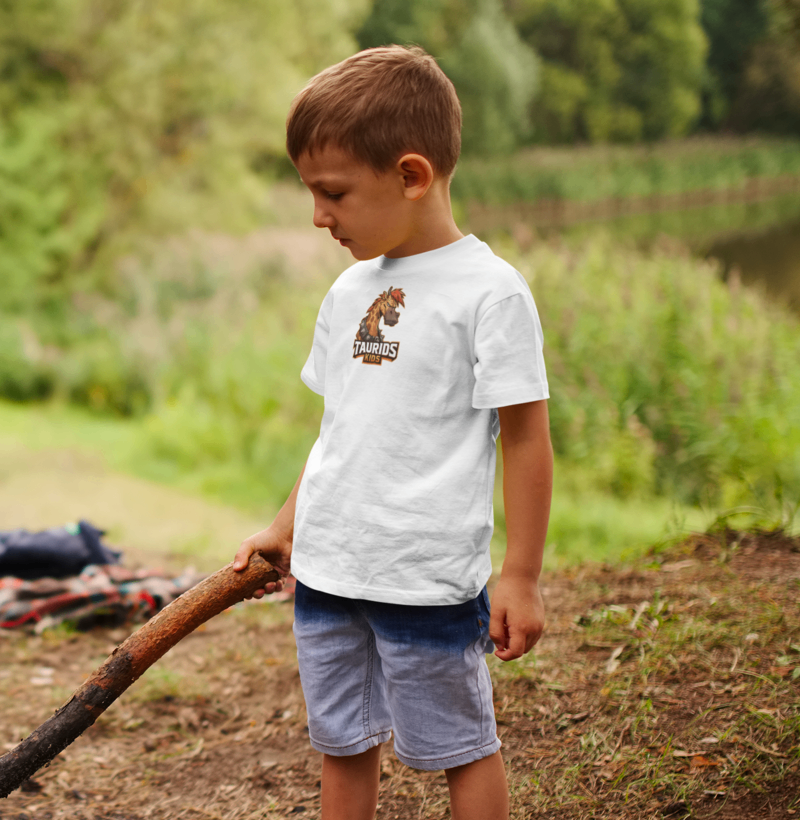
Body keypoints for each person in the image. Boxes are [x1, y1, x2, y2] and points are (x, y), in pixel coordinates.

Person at [233, 45, 553, 820]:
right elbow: (340, 430)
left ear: (411, 175)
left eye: (333, 193)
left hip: (424, 580)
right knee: (341, 742)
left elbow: (526, 440)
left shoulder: (490, 294)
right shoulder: (349, 292)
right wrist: (286, 527)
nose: (319, 217)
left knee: (460, 746)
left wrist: (520, 575)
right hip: (329, 573)